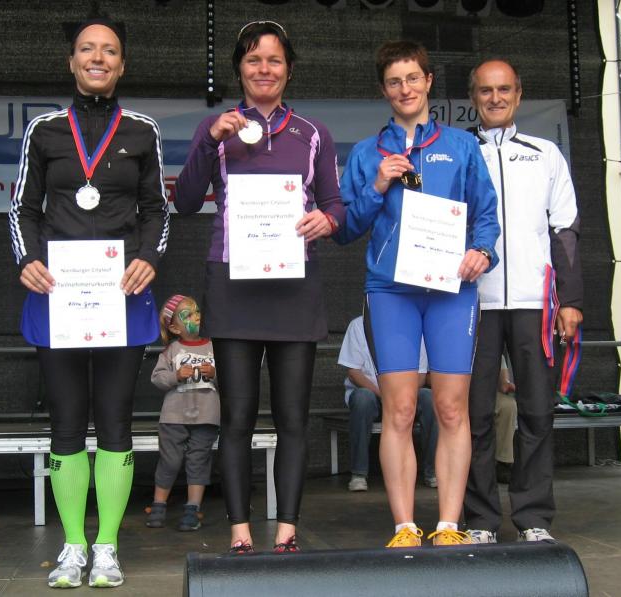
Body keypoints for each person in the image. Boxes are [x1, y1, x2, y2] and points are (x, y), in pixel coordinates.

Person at [8, 16, 170, 588]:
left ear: (122, 65)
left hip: (121, 296)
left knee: (117, 421)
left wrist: (148, 257)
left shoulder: (142, 131)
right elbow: (23, 208)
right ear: (72, 62)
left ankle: (108, 547)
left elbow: (157, 209)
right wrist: (27, 259)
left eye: (109, 51)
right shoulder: (45, 130)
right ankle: (73, 545)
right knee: (67, 422)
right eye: (87, 49)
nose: (98, 58)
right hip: (58, 298)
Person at [174, 21, 345, 554]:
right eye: (253, 60)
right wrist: (211, 140)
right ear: (239, 69)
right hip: (233, 285)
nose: (264, 69)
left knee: (293, 416)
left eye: (274, 60)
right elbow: (185, 201)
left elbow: (335, 204)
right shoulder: (216, 129)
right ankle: (240, 533)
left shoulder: (313, 132)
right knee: (238, 417)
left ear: (288, 69)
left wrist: (327, 221)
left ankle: (288, 531)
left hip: (294, 285)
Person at [338, 41, 500, 547]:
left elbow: (487, 215)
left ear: (429, 81)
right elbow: (346, 228)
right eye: (394, 81)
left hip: (452, 290)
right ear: (383, 90)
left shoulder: (463, 146)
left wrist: (482, 252)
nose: (404, 88)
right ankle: (405, 526)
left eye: (413, 78)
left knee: (451, 409)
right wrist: (377, 187)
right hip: (391, 292)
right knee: (401, 410)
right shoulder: (367, 153)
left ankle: (449, 525)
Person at [464, 59, 583, 544]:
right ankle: (479, 519)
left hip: (535, 302)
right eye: (486, 90)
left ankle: (534, 517)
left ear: (518, 94)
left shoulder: (545, 154)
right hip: (472, 302)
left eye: (504, 90)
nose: (495, 98)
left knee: (536, 411)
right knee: (473, 416)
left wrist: (570, 300)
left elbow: (566, 230)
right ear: (473, 96)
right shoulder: (459, 152)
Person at [338, 316, 438, 491]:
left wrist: (401, 396)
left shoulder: (415, 325)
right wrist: (384, 395)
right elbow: (354, 372)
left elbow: (421, 376)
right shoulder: (358, 325)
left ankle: (432, 472)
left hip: (405, 395)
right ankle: (359, 474)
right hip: (372, 393)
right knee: (362, 399)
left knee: (429, 398)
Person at [146, 295, 219, 532]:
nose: (196, 317)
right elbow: (157, 378)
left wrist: (215, 373)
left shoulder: (214, 347)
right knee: (170, 460)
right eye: (187, 315)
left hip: (206, 416)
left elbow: (231, 379)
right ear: (175, 328)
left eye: (197, 311)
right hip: (173, 418)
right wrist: (176, 376)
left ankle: (192, 509)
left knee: (198, 461)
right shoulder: (172, 350)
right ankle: (159, 505)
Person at [494, 363, 517, 485]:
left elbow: (504, 385)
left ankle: (503, 461)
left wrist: (510, 385)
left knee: (508, 405)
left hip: (488, 394)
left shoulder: (496, 354)